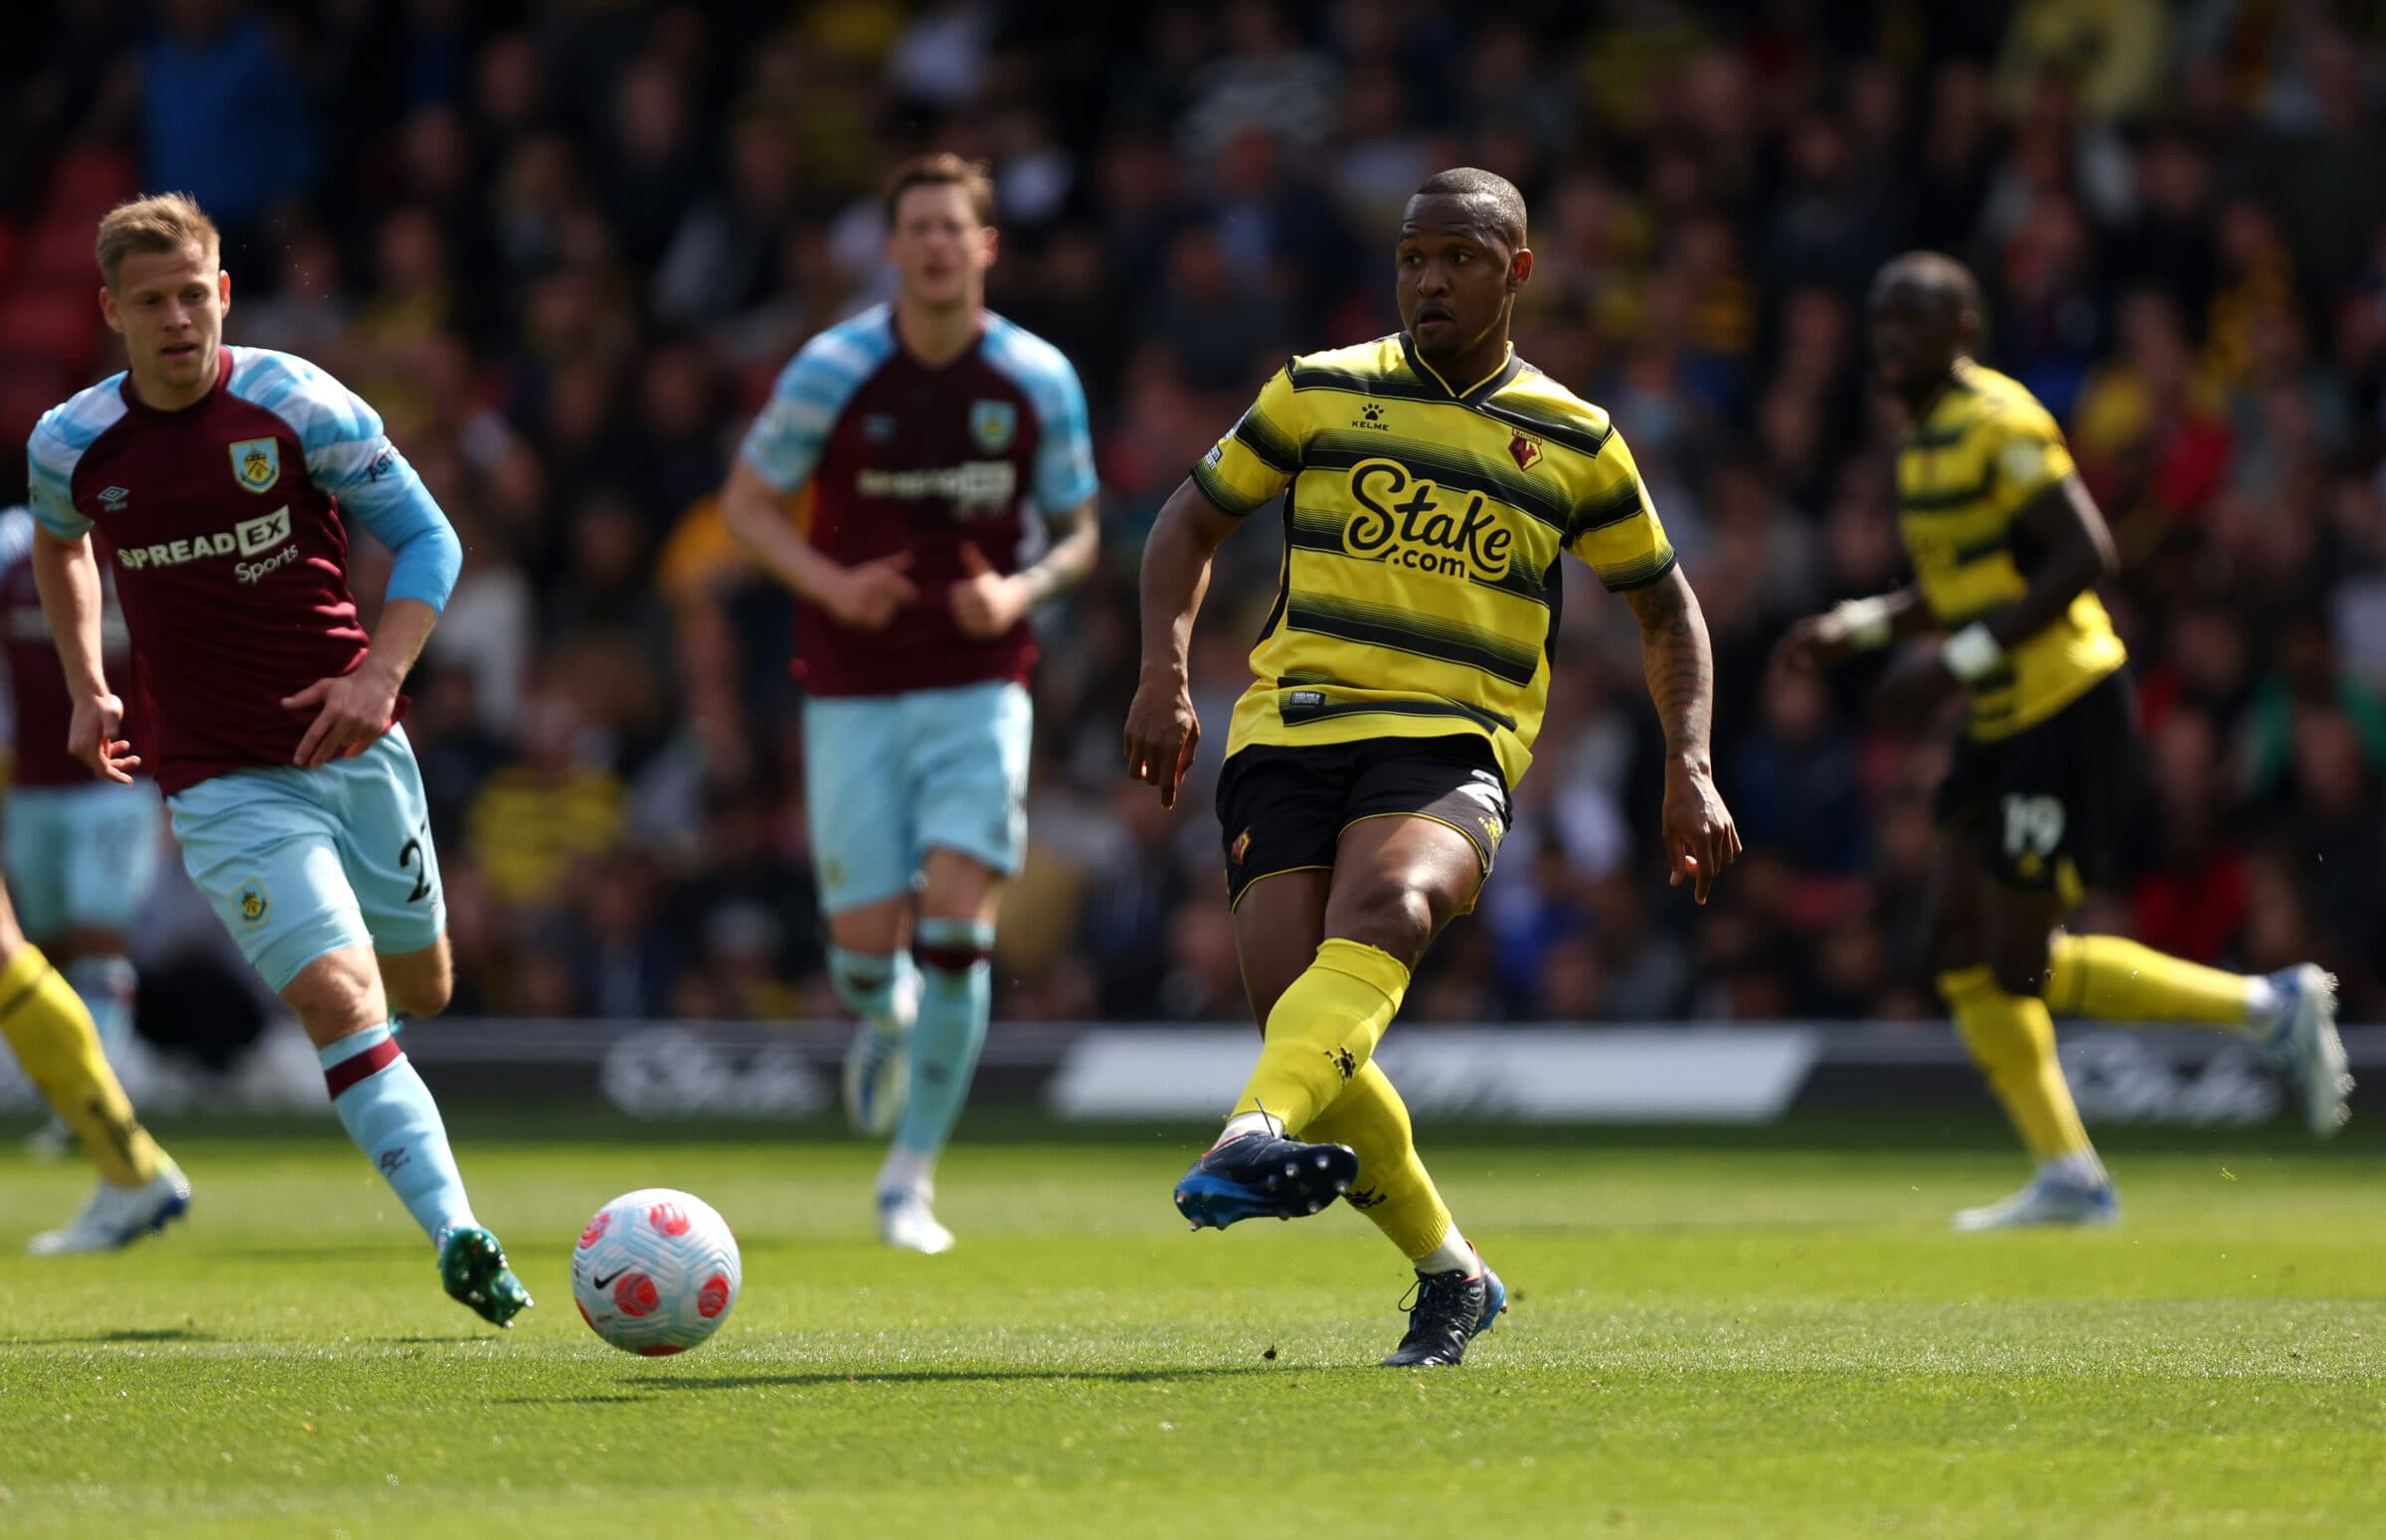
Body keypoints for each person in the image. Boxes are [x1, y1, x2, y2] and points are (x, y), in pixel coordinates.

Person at [1123, 168, 1740, 1367]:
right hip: (1290, 729)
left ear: (1516, 271)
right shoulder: (1318, 390)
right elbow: (1189, 519)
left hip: (1453, 738)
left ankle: (1244, 1131)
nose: (1429, 280)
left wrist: (1693, 762)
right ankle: (1452, 1274)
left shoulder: (1576, 438)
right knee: (1310, 1027)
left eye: (1459, 257)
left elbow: (1667, 610)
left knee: (1392, 909)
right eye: (1413, 258)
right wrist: (1165, 670)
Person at [25, 193, 529, 1323]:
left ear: (224, 295)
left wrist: (379, 676)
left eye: (192, 295)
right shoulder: (72, 443)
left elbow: (431, 539)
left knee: (421, 985)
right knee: (340, 1000)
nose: (175, 319)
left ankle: (403, 1097)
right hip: (216, 777)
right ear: (111, 311)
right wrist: (86, 680)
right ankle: (459, 1233)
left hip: (353, 744)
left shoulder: (299, 402)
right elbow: (61, 543)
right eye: (148, 302)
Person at [1779, 252, 2350, 1231]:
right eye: (1881, 324)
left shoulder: (1999, 423)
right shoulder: (1918, 446)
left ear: (1963, 334)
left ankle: (2271, 1006)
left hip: (2065, 708)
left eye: (1910, 323)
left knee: (2020, 960)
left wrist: (1951, 664)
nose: (1889, 343)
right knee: (1955, 939)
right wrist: (1866, 626)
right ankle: (2070, 1173)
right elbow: (1969, 587)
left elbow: (2087, 552)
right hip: (2001, 716)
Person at [722, 154, 1100, 1254]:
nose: (937, 245)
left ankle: (909, 1180)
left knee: (954, 929)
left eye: (955, 228)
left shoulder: (1036, 377)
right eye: (918, 228)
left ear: (987, 246)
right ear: (891, 249)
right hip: (850, 685)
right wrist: (836, 584)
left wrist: (1018, 589)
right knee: (859, 952)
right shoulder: (832, 368)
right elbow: (747, 505)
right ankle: (880, 1016)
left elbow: (1080, 529)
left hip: (980, 682)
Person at [0, 504, 161, 1161]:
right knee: (51, 948)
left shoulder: (143, 542)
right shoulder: (13, 545)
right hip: (33, 784)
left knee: (100, 934)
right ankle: (68, 1087)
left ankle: (96, 1106)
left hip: (121, 782)